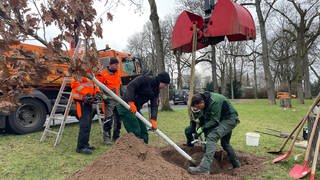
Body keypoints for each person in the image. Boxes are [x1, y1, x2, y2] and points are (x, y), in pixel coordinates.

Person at [187, 92, 241, 175]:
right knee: (225, 143)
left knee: (212, 137)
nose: (198, 109)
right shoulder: (205, 101)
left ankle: (204, 168)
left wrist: (202, 128)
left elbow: (214, 120)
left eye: (198, 106)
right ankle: (236, 165)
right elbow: (205, 118)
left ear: (202, 102)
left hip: (229, 119)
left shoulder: (214, 102)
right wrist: (199, 130)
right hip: (222, 119)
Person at [117, 71, 170, 144]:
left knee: (144, 132)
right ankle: (135, 152)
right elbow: (131, 86)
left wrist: (153, 119)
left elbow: (154, 105)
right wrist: (131, 102)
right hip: (126, 106)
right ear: (160, 81)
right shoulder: (144, 79)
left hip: (136, 109)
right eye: (165, 84)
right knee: (135, 131)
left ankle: (145, 151)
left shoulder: (156, 90)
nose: (165, 87)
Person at [71, 75, 100, 155]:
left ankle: (85, 144)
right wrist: (86, 94)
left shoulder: (90, 74)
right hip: (81, 101)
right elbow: (74, 84)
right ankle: (80, 147)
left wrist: (97, 92)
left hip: (88, 102)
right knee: (84, 125)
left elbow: (94, 85)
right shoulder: (80, 73)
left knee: (88, 124)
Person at [96, 58, 122, 145]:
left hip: (118, 100)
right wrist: (103, 97)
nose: (117, 66)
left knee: (118, 120)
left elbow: (120, 86)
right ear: (111, 65)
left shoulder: (118, 73)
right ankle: (106, 138)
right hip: (108, 101)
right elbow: (98, 87)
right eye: (115, 64)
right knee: (108, 120)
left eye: (117, 64)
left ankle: (116, 137)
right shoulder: (102, 74)